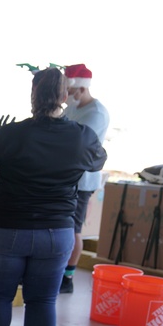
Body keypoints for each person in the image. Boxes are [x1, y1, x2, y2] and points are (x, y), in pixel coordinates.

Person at [0, 68, 106, 326]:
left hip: (6, 228)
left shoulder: (12, 133)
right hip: (55, 232)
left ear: (33, 95)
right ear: (64, 96)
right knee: (43, 300)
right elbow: (97, 161)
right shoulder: (80, 135)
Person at [60, 63, 110, 294]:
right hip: (66, 178)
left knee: (73, 230)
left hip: (83, 182)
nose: (68, 98)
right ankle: (59, 269)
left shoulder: (96, 113)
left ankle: (67, 277)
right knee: (63, 227)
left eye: (71, 93)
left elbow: (76, 143)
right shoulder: (72, 107)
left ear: (81, 89)